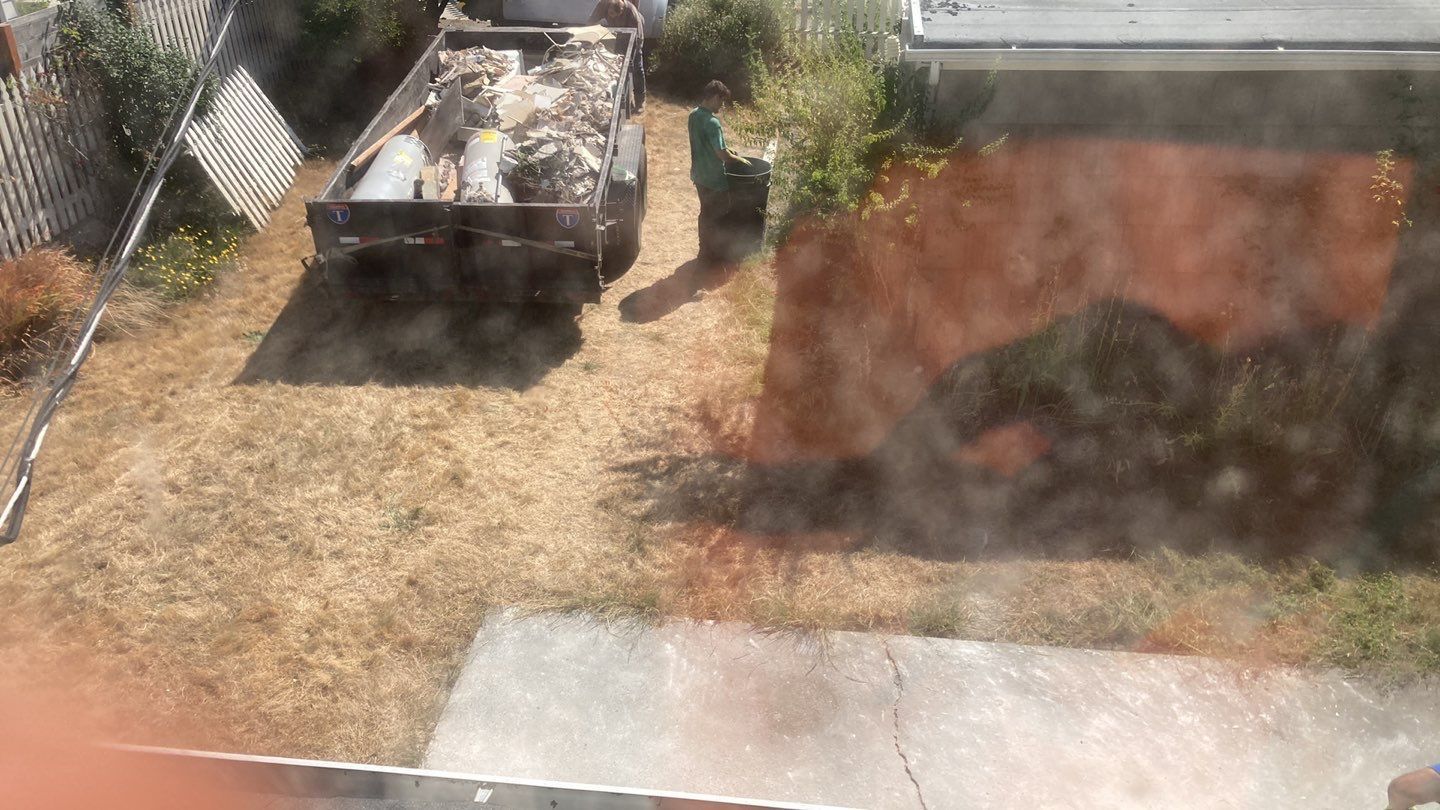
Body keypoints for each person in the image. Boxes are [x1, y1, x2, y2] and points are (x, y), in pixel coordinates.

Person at [688, 80, 747, 265]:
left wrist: (729, 150)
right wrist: (741, 160)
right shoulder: (713, 123)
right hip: (714, 180)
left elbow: (706, 143)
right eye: (721, 101)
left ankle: (704, 251)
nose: (722, 105)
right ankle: (714, 256)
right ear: (714, 97)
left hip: (699, 176)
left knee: (705, 213)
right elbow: (721, 154)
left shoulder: (693, 115)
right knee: (719, 216)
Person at [588, 0, 646, 110]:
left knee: (636, 68)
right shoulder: (603, 4)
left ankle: (640, 101)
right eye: (610, 15)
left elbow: (638, 39)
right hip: (620, 33)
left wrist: (630, 60)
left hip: (635, 34)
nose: (611, 18)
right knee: (617, 65)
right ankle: (620, 98)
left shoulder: (632, 14)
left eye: (614, 16)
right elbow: (590, 22)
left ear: (622, 11)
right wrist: (589, 39)